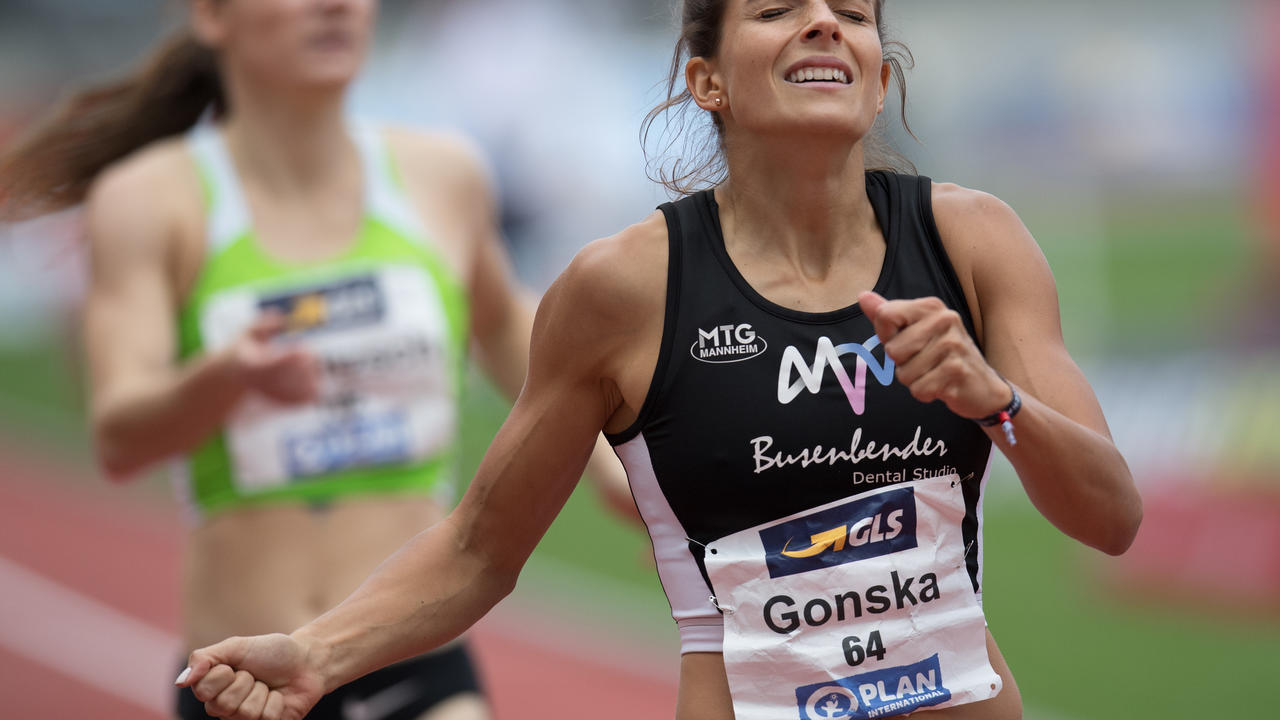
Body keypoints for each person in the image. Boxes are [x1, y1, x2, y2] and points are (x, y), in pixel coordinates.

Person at [171, 1, 1144, 719]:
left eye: (849, 15)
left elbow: (1108, 517)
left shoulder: (972, 241)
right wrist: (315, 654)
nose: (821, 25)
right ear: (706, 80)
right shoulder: (621, 290)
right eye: (776, 12)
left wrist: (994, 401)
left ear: (878, 78)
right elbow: (479, 547)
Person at [0, 1, 635, 719]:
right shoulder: (151, 201)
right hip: (241, 678)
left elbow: (505, 330)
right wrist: (225, 378)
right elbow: (119, 437)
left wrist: (609, 456)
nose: (337, 6)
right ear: (212, 16)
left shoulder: (439, 175)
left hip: (413, 658)